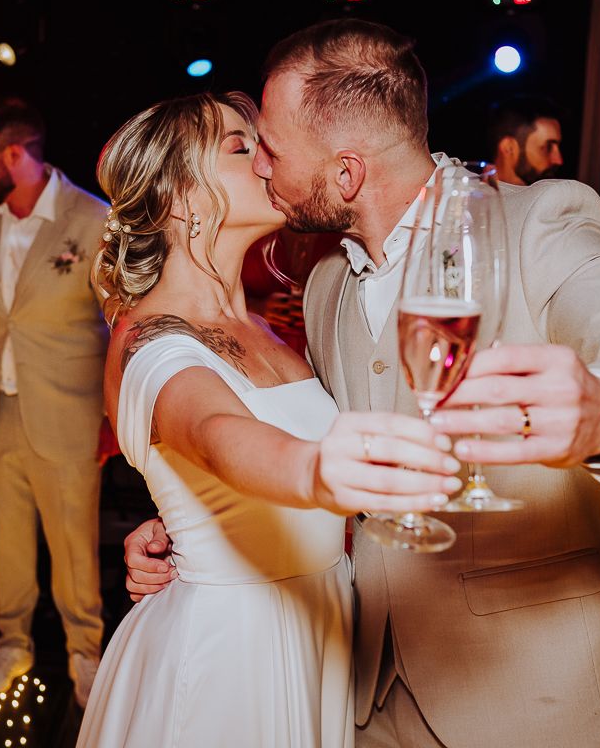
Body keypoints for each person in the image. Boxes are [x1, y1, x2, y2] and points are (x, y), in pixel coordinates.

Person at [126, 18, 600, 748]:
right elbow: (316, 442)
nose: (262, 170)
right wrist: (202, 518)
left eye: (271, 151)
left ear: (344, 172)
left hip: (533, 696)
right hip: (363, 691)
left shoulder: (538, 222)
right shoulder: (323, 287)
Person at [78, 90, 460, 748]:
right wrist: (318, 468)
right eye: (240, 145)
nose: (267, 160)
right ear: (177, 194)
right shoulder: (152, 341)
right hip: (234, 651)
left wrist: (190, 512)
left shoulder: (263, 321)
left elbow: (209, 475)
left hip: (323, 621)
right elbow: (220, 437)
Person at [0, 98, 108, 707]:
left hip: (66, 408)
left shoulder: (93, 219)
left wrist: (114, 415)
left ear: (14, 154)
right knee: (5, 535)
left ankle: (84, 651)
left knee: (73, 540)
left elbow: (123, 323)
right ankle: (11, 641)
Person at [484, 94, 565, 185]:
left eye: (558, 146)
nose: (558, 160)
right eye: (548, 147)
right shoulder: (471, 196)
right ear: (509, 148)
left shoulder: (559, 197)